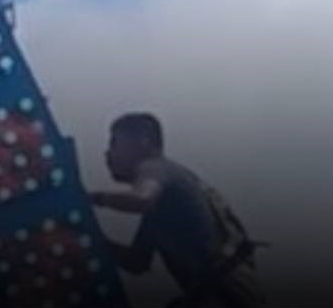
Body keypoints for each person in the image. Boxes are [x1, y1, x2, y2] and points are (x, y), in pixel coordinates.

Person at [91, 113, 266, 307]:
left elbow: (141, 199)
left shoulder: (154, 167)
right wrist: (92, 239)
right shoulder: (161, 205)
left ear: (144, 142)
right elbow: (137, 261)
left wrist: (94, 199)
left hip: (224, 293)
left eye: (115, 143)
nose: (108, 153)